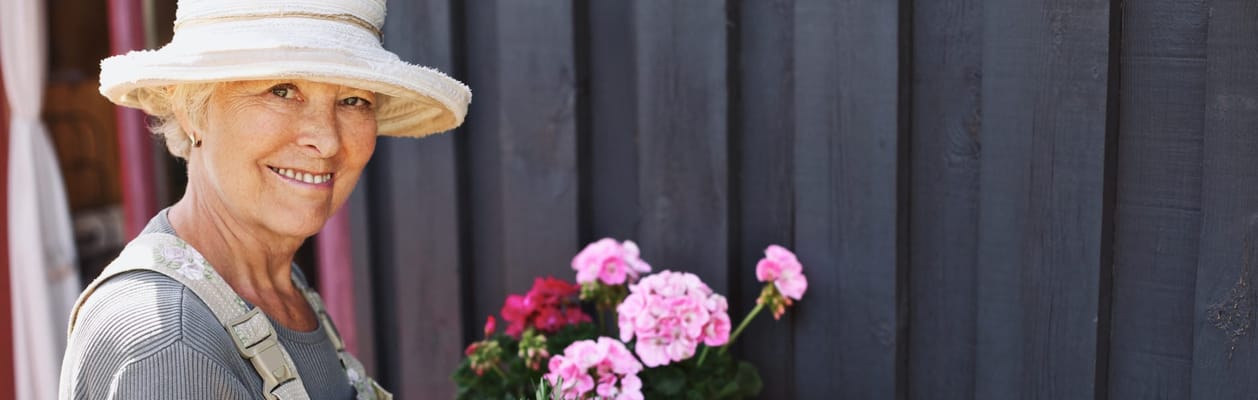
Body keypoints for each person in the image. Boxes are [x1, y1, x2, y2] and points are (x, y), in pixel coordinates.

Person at [57, 0, 470, 398]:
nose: (327, 140)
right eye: (282, 90)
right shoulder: (170, 342)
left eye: (353, 100)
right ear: (190, 109)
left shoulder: (277, 288)